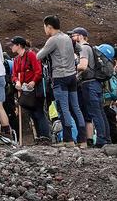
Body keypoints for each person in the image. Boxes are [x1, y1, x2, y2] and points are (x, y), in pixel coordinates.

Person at [36, 15, 87, 148]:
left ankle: (68, 139)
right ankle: (83, 140)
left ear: (49, 27)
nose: (44, 29)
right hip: (72, 77)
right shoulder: (68, 38)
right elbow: (80, 49)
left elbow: (38, 56)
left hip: (60, 78)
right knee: (76, 108)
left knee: (63, 108)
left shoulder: (53, 40)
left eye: (44, 27)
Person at [71, 27, 111, 147]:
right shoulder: (90, 48)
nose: (72, 38)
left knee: (95, 113)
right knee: (100, 113)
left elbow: (83, 66)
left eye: (74, 35)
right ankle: (106, 139)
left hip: (89, 84)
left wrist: (70, 68)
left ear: (81, 36)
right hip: (96, 84)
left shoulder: (83, 48)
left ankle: (101, 141)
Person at [10, 36, 51, 143]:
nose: (11, 47)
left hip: (35, 89)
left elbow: (38, 71)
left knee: (38, 112)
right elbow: (14, 74)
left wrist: (33, 81)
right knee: (32, 113)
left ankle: (45, 136)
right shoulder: (17, 59)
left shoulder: (31, 55)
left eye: (13, 45)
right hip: (26, 90)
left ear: (19, 45)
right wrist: (17, 82)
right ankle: (39, 137)